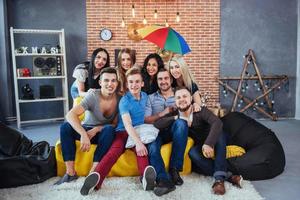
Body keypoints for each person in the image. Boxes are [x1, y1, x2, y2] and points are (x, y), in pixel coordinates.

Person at [80, 67, 156, 196]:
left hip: (140, 131)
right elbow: (127, 124)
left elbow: (146, 118)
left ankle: (145, 178)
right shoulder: (124, 101)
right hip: (122, 132)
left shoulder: (145, 97)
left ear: (142, 83)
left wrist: (163, 114)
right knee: (113, 152)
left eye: (137, 81)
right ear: (126, 84)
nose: (134, 85)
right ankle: (95, 180)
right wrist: (138, 142)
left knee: (141, 153)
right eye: (131, 82)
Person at [155, 86, 243, 195]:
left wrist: (209, 143)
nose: (181, 99)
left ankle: (219, 181)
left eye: (184, 96)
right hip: (200, 145)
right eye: (178, 97)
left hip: (214, 138)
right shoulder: (176, 115)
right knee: (192, 153)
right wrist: (176, 118)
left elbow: (217, 123)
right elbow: (157, 124)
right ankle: (230, 176)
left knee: (219, 134)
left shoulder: (200, 111)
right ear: (175, 101)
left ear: (191, 98)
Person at [55, 67, 120, 185]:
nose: (110, 84)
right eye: (106, 80)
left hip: (103, 133)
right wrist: (83, 134)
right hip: (86, 129)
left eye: (113, 80)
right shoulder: (93, 95)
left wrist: (96, 130)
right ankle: (70, 173)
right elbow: (70, 115)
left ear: (117, 83)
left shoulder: (119, 99)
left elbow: (114, 124)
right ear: (100, 82)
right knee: (65, 127)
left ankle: (93, 172)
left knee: (110, 129)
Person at [145, 68, 189, 196]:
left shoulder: (179, 94)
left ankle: (174, 169)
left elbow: (188, 109)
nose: (163, 81)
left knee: (181, 123)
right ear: (157, 81)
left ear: (171, 79)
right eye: (160, 79)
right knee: (152, 146)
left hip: (173, 130)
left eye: (166, 78)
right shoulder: (150, 98)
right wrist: (163, 113)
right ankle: (163, 180)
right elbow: (147, 120)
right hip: (156, 131)